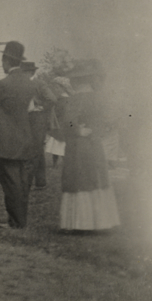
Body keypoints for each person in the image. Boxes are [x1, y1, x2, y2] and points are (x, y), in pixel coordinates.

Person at [0, 41, 39, 229]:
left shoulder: (3, 84)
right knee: (22, 182)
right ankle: (20, 220)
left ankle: (16, 222)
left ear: (7, 60)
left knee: (10, 183)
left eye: (2, 61)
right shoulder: (29, 84)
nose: (2, 65)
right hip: (25, 138)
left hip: (6, 141)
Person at [59, 60, 121, 231]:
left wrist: (78, 131)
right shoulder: (98, 98)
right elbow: (107, 121)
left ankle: (81, 222)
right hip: (95, 144)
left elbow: (67, 122)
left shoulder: (75, 99)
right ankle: (99, 221)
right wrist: (95, 132)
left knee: (79, 179)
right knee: (95, 178)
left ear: (76, 81)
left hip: (79, 146)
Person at [22, 61, 57, 190]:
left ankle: (29, 182)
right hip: (27, 119)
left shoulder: (39, 83)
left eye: (24, 72)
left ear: (30, 72)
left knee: (34, 150)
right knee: (36, 150)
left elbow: (52, 99)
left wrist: (41, 107)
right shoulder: (22, 85)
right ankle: (40, 182)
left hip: (37, 120)